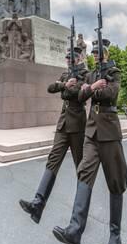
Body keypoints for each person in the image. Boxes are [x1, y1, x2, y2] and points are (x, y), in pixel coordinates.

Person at [52, 38, 127, 244]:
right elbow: (80, 96)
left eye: (98, 52)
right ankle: (74, 232)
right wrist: (91, 88)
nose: (95, 55)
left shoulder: (113, 72)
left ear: (106, 52)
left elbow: (110, 95)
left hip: (110, 131)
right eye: (93, 52)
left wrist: (91, 90)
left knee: (115, 182)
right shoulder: (93, 75)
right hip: (91, 131)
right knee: (84, 174)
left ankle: (115, 235)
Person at [19, 47, 88, 223]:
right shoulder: (66, 76)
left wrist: (65, 90)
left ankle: (79, 217)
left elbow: (78, 95)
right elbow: (51, 88)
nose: (67, 60)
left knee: (80, 168)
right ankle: (38, 202)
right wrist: (65, 85)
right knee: (52, 160)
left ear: (78, 58)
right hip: (63, 125)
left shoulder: (85, 73)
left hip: (77, 127)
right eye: (66, 57)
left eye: (70, 57)